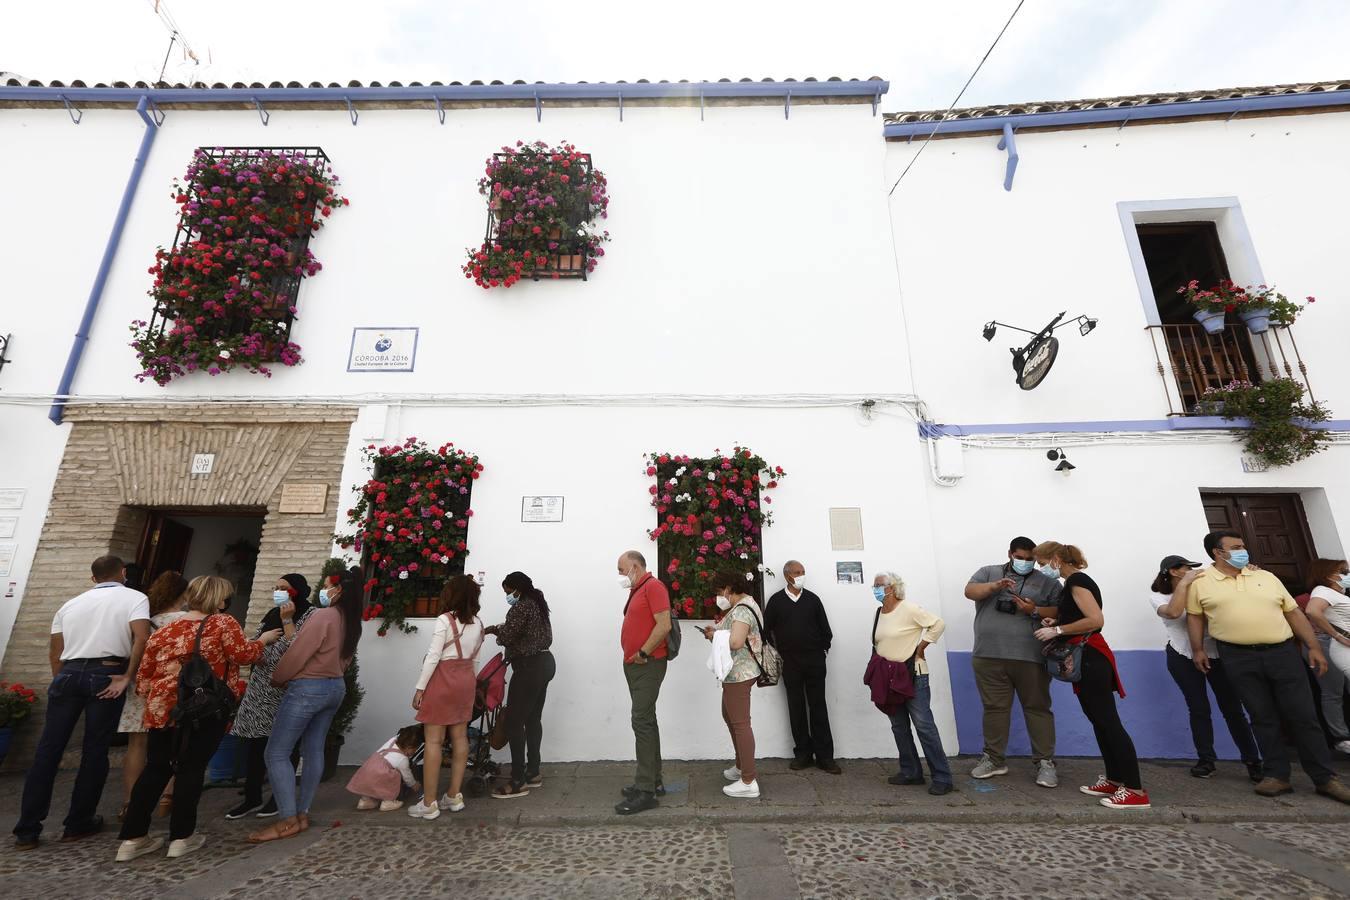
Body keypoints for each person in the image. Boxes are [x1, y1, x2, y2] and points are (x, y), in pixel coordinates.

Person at [115, 576, 280, 861]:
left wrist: (163, 693)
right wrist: (262, 641)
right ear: (218, 599)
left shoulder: (165, 628)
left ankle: (132, 839)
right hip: (204, 708)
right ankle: (181, 837)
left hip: (162, 708)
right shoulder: (222, 623)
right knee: (191, 769)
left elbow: (143, 678)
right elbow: (242, 655)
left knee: (155, 769)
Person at [1188, 532, 1350, 804]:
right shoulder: (1202, 583)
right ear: (1218, 552)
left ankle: (1325, 778)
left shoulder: (1266, 577)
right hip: (1237, 656)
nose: (1244, 551)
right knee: (1261, 715)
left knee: (1303, 714)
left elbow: (1293, 613)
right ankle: (1277, 775)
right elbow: (1195, 617)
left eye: (1243, 546)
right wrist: (1197, 649)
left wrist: (1313, 646)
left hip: (1282, 652)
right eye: (1236, 547)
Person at [13, 555, 152, 851]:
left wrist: (60, 681)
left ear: (93, 578)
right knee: (95, 749)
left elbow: (56, 650)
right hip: (107, 671)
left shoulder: (70, 604)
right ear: (124, 573)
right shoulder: (135, 597)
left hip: (69, 672)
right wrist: (127, 676)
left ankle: (27, 829)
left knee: (48, 751)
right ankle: (78, 822)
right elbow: (141, 638)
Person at [248, 568, 364, 842]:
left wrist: (279, 677)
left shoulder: (324, 616)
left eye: (326, 586)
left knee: (276, 753)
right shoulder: (352, 621)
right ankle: (302, 811)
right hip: (335, 685)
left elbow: (299, 651)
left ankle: (288, 818)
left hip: (308, 688)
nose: (323, 591)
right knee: (313, 749)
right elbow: (346, 659)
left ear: (338, 590)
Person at [1032, 542, 1149, 810]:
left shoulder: (1077, 581)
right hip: (1084, 657)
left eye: (1042, 562)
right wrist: (1057, 622)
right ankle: (1114, 778)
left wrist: (1058, 631)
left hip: (1092, 658)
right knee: (1098, 720)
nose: (1041, 568)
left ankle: (1134, 790)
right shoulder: (1070, 584)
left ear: (1057, 558)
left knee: (1109, 721)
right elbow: (1078, 617)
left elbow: (1095, 619)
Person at [1148, 555, 1262, 780]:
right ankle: (1206, 760)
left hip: (1218, 655)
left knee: (1233, 709)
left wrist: (1246, 574)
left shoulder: (1205, 590)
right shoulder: (1159, 597)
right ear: (1173, 571)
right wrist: (1185, 584)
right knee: (1199, 708)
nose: (1192, 571)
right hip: (1182, 655)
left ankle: (1252, 760)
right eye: (1186, 568)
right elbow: (1173, 612)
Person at [964, 536, 1062, 788]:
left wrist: (1034, 610)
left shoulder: (1047, 582)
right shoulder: (989, 572)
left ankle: (1045, 762)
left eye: (1031, 559)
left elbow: (1062, 611)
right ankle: (994, 759)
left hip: (1031, 657)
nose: (1026, 563)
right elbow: (970, 591)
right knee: (994, 708)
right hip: (988, 655)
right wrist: (995, 586)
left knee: (1037, 708)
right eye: (1020, 558)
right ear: (1010, 554)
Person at [226, 572, 313, 819]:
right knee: (255, 743)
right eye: (276, 587)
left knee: (285, 745)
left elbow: (299, 646)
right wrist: (260, 645)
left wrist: (287, 621)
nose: (279, 592)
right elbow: (254, 643)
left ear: (297, 590)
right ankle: (251, 795)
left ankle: (279, 797)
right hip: (261, 686)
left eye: (284, 588)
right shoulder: (270, 615)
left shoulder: (309, 615)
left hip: (287, 687)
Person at [408, 575, 484, 820]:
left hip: (442, 680)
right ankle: (453, 795)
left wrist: (420, 688)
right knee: (460, 736)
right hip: (466, 681)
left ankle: (429, 802)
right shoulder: (479, 623)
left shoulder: (445, 619)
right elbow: (476, 660)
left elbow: (433, 656)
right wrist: (472, 685)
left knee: (433, 741)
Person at [871, 571, 953, 795]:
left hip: (913, 674)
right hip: (889, 677)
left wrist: (921, 647)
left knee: (924, 725)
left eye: (879, 585)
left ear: (892, 587)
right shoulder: (880, 612)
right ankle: (910, 771)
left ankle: (942, 776)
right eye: (874, 585)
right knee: (899, 726)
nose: (875, 589)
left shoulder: (909, 609)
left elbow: (937, 624)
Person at [117, 570, 189, 819]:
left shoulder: (146, 621)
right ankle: (167, 796)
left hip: (142, 685)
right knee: (174, 743)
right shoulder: (189, 621)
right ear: (184, 594)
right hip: (172, 687)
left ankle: (129, 803)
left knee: (137, 744)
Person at [485, 571, 556, 799]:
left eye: (508, 591)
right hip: (544, 663)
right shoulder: (537, 602)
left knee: (515, 722)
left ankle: (517, 781)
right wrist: (501, 629)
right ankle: (533, 772)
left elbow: (508, 636)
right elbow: (520, 630)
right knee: (533, 719)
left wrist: (496, 631)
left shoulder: (521, 606)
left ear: (516, 588)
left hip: (528, 667)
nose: (507, 596)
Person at [764, 560, 838, 774]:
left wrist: (823, 648)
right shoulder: (777, 601)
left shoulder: (813, 600)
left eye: (803, 572)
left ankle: (825, 757)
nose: (801, 575)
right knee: (796, 708)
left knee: (818, 707)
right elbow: (766, 630)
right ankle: (803, 754)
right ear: (787, 575)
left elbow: (826, 630)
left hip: (815, 660)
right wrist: (779, 652)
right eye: (797, 572)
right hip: (790, 662)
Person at [699, 570, 765, 799]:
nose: (719, 597)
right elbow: (733, 634)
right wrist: (715, 633)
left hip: (740, 674)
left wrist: (714, 637)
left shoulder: (743, 609)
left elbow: (736, 641)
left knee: (740, 724)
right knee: (731, 718)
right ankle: (741, 767)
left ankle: (748, 780)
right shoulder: (741, 607)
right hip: (734, 674)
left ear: (729, 588)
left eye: (720, 592)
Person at [615, 550, 672, 815]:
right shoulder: (639, 589)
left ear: (635, 567)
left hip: (647, 664)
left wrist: (643, 653)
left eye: (621, 570)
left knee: (641, 720)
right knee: (647, 720)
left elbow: (664, 625)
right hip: (636, 665)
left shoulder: (654, 586)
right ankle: (654, 780)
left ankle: (646, 790)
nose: (619, 575)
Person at [1303, 558, 1350, 755]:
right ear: (1329, 574)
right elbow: (1312, 611)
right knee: (1333, 692)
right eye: (1343, 571)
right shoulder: (1323, 591)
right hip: (1335, 646)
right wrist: (1338, 635)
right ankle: (1341, 738)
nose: (1347, 575)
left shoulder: (1339, 594)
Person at [347, 723, 424, 811]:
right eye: (414, 750)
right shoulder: (402, 760)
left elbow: (398, 736)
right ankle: (388, 802)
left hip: (366, 770)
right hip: (380, 776)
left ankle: (365, 801)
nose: (414, 752)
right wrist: (414, 784)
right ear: (409, 747)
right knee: (395, 776)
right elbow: (407, 776)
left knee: (370, 783)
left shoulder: (392, 741)